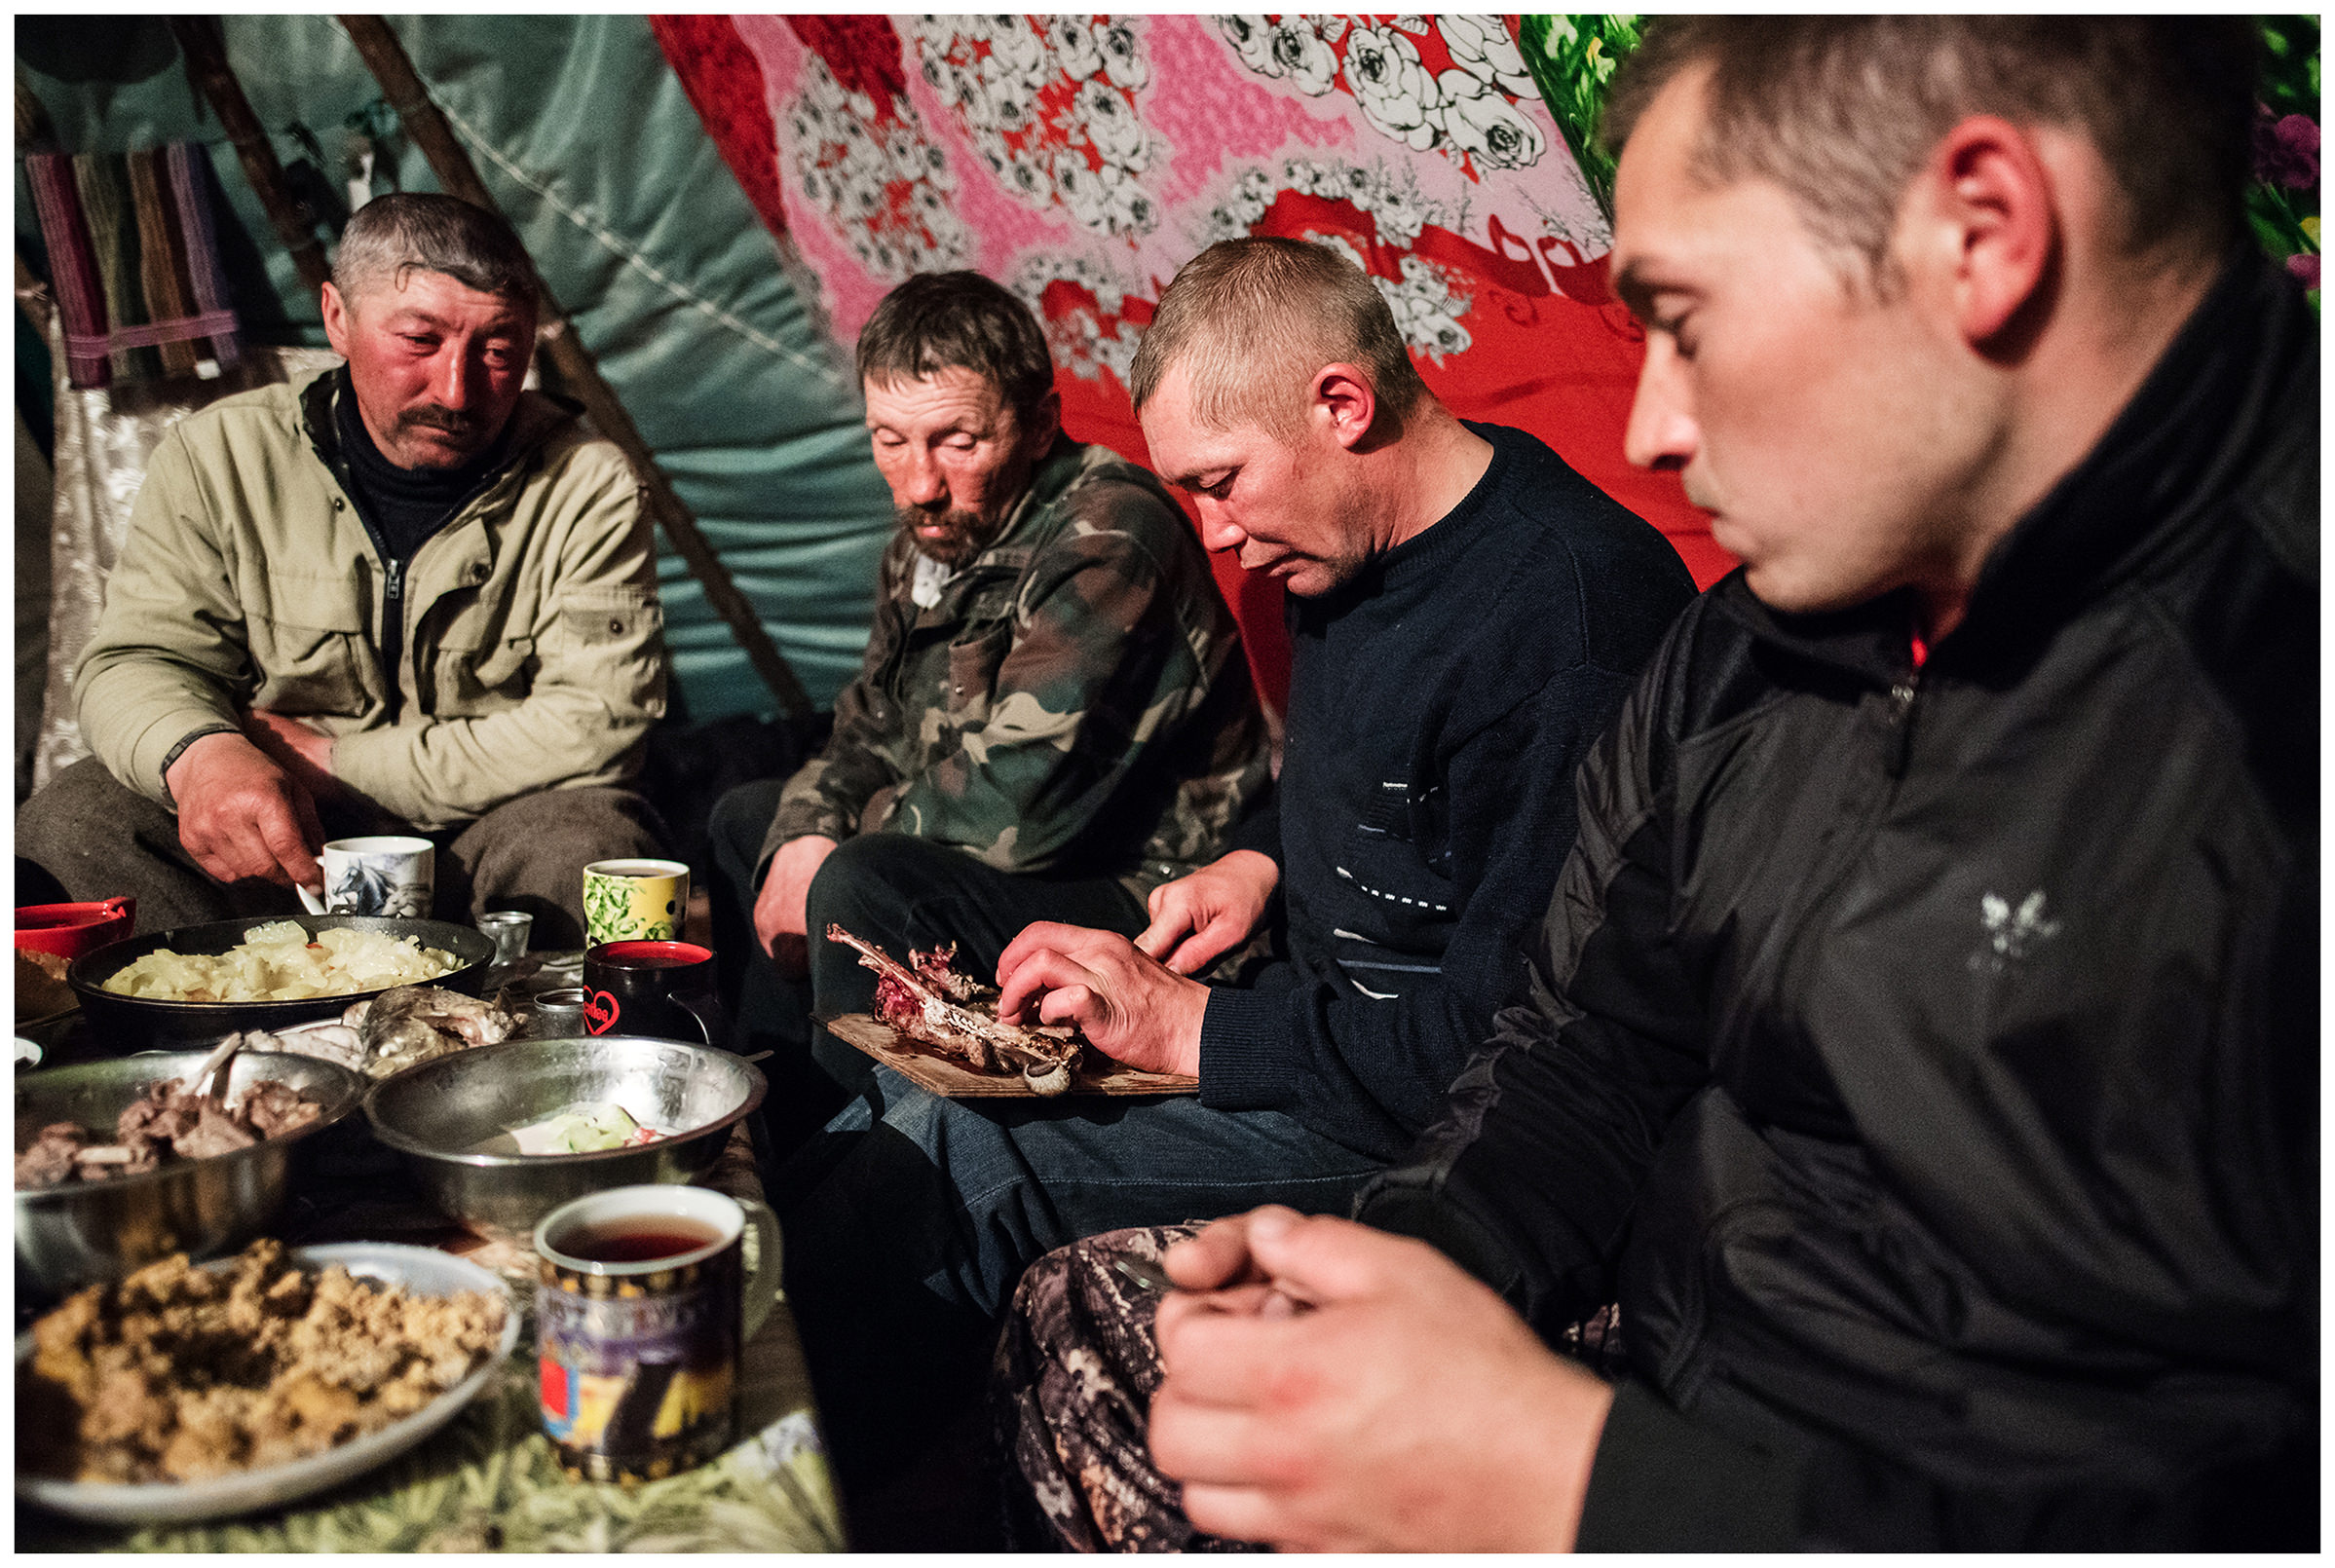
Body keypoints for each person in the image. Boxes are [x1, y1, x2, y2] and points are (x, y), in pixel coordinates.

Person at [997, 16, 2316, 1553]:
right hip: (1671, 1352)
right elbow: (1577, 1038)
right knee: (1112, 1353)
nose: (1651, 425)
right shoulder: (1753, 643)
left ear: (1983, 235)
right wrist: (1421, 1269)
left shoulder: (2272, 721)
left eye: (1684, 318)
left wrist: (1577, 1483)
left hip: (1823, 1497)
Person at [781, 236, 1695, 1510]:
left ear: (1340, 403)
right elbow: (1364, 788)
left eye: (1221, 483)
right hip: (1308, 1016)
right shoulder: (1344, 537)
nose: (1214, 534)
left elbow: (1515, 1046)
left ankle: (783, 1513)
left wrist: (1195, 1029)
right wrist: (1257, 861)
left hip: (1418, 1115)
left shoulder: (1570, 618)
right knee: (884, 1079)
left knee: (961, 1166)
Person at [703, 270, 1271, 1142]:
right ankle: (772, 1121)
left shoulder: (1111, 535)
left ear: (1040, 425)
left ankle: (867, 1163)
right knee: (754, 819)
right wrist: (804, 830)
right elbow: (867, 727)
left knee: (860, 880)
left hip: (1148, 890)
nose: (918, 483)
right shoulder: (932, 537)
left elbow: (1017, 813)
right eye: (888, 441)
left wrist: (834, 851)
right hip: (1001, 848)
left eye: (957, 441)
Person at [17, 193, 669, 948]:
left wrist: (337, 762)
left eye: (497, 352)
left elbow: (596, 722)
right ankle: (199, 1061)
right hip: (282, 828)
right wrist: (202, 754)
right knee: (73, 823)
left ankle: (539, 1061)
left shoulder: (588, 483)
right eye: (419, 341)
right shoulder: (219, 457)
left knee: (588, 842)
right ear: (337, 319)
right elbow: (138, 658)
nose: (457, 392)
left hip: (482, 826)